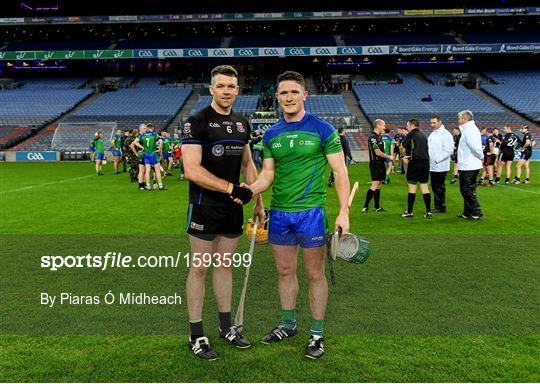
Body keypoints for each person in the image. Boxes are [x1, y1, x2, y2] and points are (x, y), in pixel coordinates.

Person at [248, 71, 350, 360]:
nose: (289, 97)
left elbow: (340, 172)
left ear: (305, 94)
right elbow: (267, 175)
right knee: (284, 272)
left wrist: (344, 212)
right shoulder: (271, 134)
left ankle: (316, 335)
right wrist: (248, 191)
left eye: (294, 92)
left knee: (315, 273)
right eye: (283, 93)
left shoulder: (323, 129)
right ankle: (288, 324)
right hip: (279, 213)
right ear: (277, 97)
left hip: (311, 214)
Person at [182, 65, 264, 361]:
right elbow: (191, 169)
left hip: (235, 208)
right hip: (205, 206)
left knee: (225, 266)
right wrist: (232, 188)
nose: (227, 91)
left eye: (232, 86)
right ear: (212, 88)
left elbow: (248, 164)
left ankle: (227, 328)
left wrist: (257, 198)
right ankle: (196, 335)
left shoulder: (243, 124)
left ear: (237, 90)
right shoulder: (197, 122)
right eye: (222, 86)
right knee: (200, 269)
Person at [401, 119, 432, 218]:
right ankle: (428, 212)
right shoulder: (423, 135)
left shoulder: (410, 134)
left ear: (411, 125)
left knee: (412, 188)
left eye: (407, 125)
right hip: (426, 163)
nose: (406, 127)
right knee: (425, 187)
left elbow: (403, 146)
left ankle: (409, 212)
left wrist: (405, 157)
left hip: (415, 163)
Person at [456, 110, 484, 220]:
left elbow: (475, 147)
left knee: (467, 190)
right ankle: (467, 212)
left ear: (465, 119)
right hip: (468, 165)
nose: (458, 120)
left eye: (459, 118)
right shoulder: (469, 129)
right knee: (466, 189)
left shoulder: (470, 130)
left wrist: (481, 156)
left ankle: (476, 212)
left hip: (469, 165)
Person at [363, 119, 392, 213]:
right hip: (375, 164)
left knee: (379, 185)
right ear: (378, 125)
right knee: (375, 184)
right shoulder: (373, 137)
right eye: (383, 125)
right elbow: (377, 152)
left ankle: (376, 206)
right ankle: (365, 207)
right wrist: (389, 156)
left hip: (380, 164)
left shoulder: (378, 137)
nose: (384, 127)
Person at [428, 115, 454, 213]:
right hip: (433, 166)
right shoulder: (432, 134)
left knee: (439, 187)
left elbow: (449, 150)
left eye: (434, 123)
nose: (432, 125)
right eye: (431, 123)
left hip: (440, 166)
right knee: (435, 187)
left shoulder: (446, 134)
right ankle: (438, 206)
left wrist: (437, 159)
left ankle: (441, 207)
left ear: (439, 122)